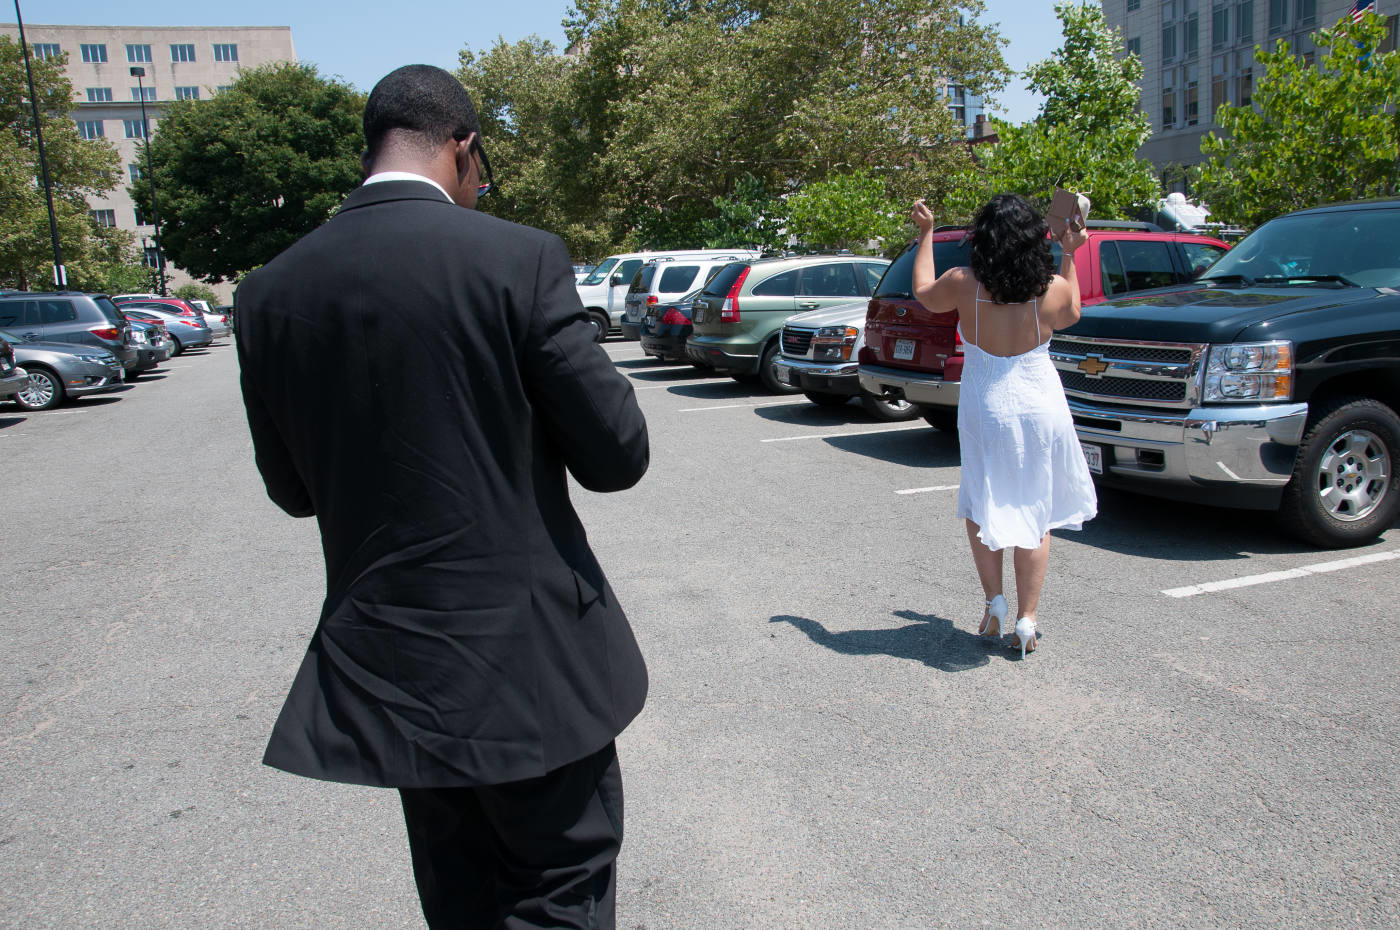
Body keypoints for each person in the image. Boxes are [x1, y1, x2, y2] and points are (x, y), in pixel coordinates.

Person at [235, 64, 650, 929]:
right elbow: (616, 455)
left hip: (397, 671)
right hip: (533, 668)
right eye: (482, 167)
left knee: (458, 902)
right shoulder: (516, 257)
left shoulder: (270, 291)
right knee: (558, 894)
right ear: (462, 146)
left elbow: (292, 493)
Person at [910, 193, 1096, 657]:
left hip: (986, 405)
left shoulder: (963, 282)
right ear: (1035, 238)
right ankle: (1027, 621)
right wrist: (1071, 250)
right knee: (1035, 511)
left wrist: (927, 233)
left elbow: (923, 293)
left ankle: (994, 603)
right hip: (1040, 404)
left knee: (981, 502)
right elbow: (1072, 312)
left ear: (984, 239)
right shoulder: (1050, 287)